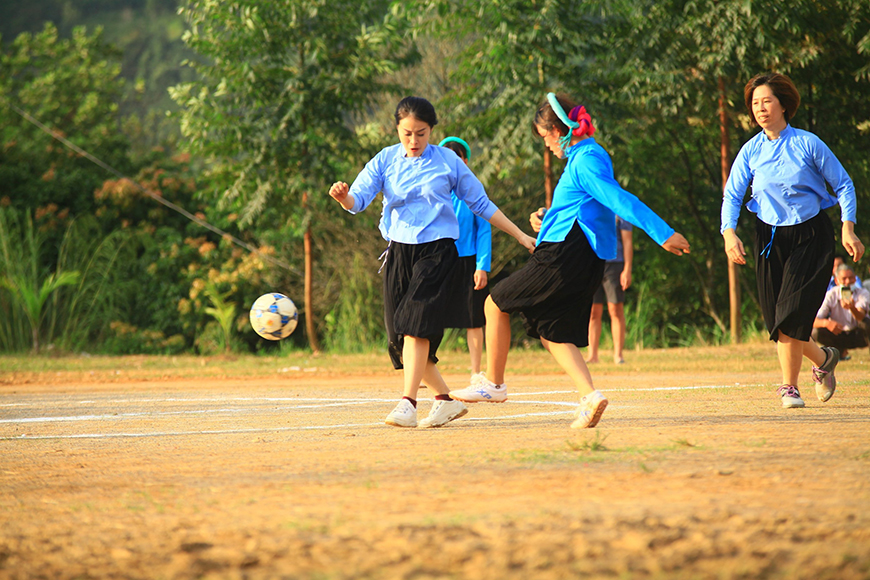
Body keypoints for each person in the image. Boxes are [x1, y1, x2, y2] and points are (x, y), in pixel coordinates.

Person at [449, 93, 690, 429]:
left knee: (495, 303)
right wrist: (545, 220)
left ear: (561, 131)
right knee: (552, 328)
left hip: (567, 252)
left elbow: (618, 199)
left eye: (545, 136)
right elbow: (587, 207)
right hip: (585, 254)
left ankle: (494, 384)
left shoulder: (585, 160)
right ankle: (590, 396)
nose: (546, 144)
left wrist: (662, 233)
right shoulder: (588, 156)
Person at [328, 96, 536, 429]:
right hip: (398, 252)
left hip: (437, 252)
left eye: (421, 134)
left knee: (414, 324)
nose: (414, 141)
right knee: (399, 338)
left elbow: (482, 204)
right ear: (397, 128)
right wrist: (344, 198)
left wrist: (520, 236)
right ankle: (444, 401)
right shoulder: (384, 160)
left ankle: (408, 402)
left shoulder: (448, 162)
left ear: (432, 130)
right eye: (407, 133)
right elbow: (358, 200)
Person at [721, 72, 864, 409]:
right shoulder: (750, 151)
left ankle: (789, 387)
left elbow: (843, 185)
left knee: (789, 316)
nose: (760, 108)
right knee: (778, 322)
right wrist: (729, 232)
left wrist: (848, 227)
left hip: (810, 234)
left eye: (767, 101)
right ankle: (825, 359)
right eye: (755, 103)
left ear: (783, 105)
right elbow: (732, 195)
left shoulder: (808, 143)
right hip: (768, 237)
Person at [439, 136, 492, 378]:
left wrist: (482, 266)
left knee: (474, 319)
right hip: (438, 261)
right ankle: (424, 369)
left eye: (457, 159)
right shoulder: (433, 188)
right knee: (429, 316)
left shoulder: (474, 189)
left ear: (466, 161)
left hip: (468, 261)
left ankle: (476, 372)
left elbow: (484, 230)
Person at [587, 215, 633, 365]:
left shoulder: (621, 212)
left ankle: (618, 355)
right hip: (592, 264)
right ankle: (592, 355)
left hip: (615, 265)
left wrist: (627, 269)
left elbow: (627, 241)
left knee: (615, 309)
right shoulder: (591, 206)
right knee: (593, 311)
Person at [813, 264, 869, 360]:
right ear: (836, 281)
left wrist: (852, 308)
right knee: (815, 331)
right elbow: (815, 320)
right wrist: (826, 323)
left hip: (858, 334)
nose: (847, 282)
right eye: (844, 279)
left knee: (867, 323)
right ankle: (837, 353)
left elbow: (861, 317)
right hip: (838, 333)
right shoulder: (831, 295)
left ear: (855, 280)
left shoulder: (863, 293)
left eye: (851, 278)